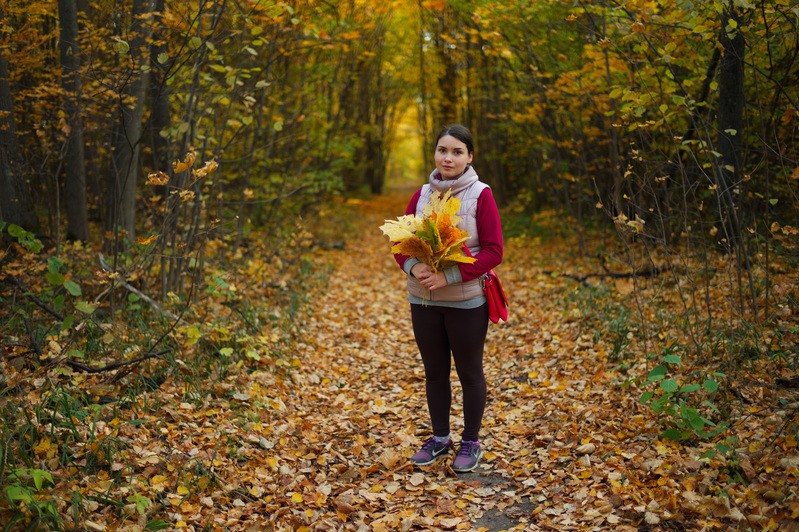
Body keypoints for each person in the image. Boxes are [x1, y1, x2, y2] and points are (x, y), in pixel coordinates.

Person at [393, 124, 503, 472]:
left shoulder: (480, 195)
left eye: (457, 152)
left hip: (467, 301)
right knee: (435, 373)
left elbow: (493, 251)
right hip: (423, 301)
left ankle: (471, 442)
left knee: (469, 373)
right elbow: (399, 243)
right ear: (435, 154)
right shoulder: (422, 194)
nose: (448, 157)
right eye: (443, 150)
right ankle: (440, 439)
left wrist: (449, 275)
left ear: (469, 157)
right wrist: (413, 268)